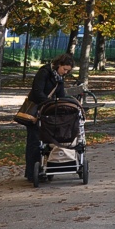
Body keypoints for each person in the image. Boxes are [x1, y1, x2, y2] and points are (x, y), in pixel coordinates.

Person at [25, 53, 74, 181]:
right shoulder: (44, 72)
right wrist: (49, 102)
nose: (65, 72)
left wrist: (64, 105)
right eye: (64, 69)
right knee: (34, 141)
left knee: (46, 141)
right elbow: (37, 91)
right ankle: (32, 173)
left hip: (47, 111)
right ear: (59, 65)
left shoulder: (59, 78)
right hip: (36, 110)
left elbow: (61, 94)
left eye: (68, 71)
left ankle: (42, 169)